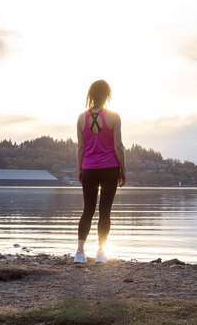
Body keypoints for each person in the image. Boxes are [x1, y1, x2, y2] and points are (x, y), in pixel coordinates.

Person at [73, 79, 126, 265]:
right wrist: (123, 170)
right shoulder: (114, 117)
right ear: (107, 95)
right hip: (110, 168)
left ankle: (79, 253)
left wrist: (80, 168)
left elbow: (80, 147)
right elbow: (118, 146)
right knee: (105, 211)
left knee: (87, 210)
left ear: (91, 95)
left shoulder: (81, 118)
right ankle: (101, 253)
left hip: (89, 168)